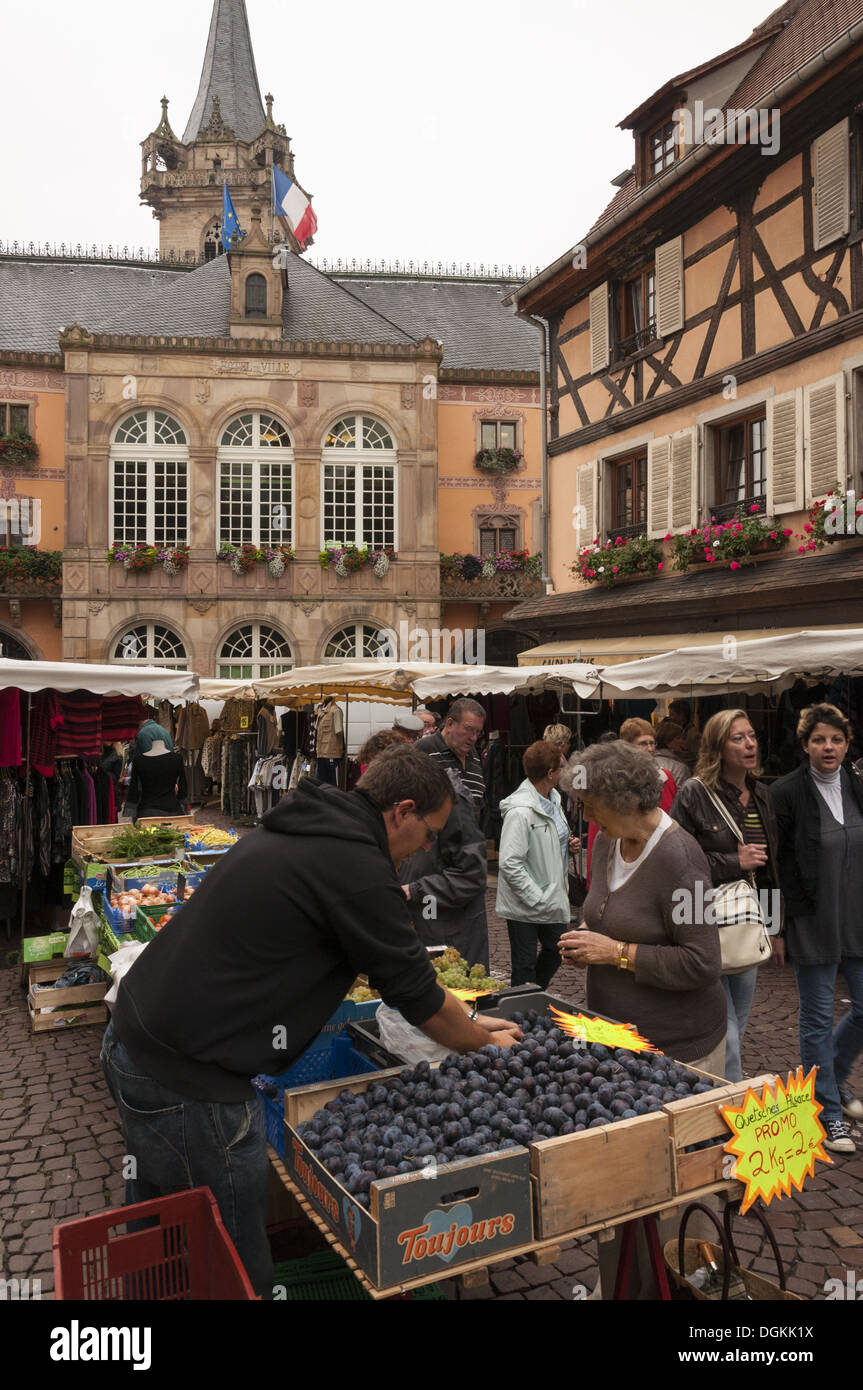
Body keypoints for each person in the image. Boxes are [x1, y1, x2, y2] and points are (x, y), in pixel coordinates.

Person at [102, 745, 522, 1297]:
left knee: (160, 1232)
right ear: (402, 810)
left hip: (136, 1040)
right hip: (188, 1080)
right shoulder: (358, 869)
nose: (427, 847)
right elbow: (417, 996)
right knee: (228, 1259)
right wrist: (484, 1044)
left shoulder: (307, 827)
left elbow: (411, 979)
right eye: (428, 833)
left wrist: (477, 1025)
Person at [558, 739, 724, 1300]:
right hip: (618, 1044)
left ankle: (697, 1286)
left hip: (680, 1050)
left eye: (588, 802)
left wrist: (616, 954)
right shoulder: (606, 841)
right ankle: (623, 1287)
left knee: (682, 1187)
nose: (583, 814)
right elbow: (605, 917)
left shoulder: (682, 857)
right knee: (620, 1182)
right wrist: (586, 945)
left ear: (620, 798)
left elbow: (703, 962)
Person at [670, 709, 782, 1085]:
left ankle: (716, 1091)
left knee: (738, 1023)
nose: (749, 744)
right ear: (717, 746)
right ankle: (731, 1105)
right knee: (727, 1030)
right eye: (738, 738)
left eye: (752, 736)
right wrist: (734, 861)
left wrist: (775, 925)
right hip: (704, 919)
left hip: (748, 923)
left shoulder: (764, 794)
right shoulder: (695, 793)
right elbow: (677, 859)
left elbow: (769, 868)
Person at [771, 703, 863, 1155]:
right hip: (810, 918)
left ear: (848, 744)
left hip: (859, 917)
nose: (829, 747)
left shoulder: (858, 784)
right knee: (816, 1017)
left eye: (837, 739)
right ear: (805, 744)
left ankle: (834, 1075)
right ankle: (826, 1109)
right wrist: (775, 926)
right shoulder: (787, 792)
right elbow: (776, 864)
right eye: (820, 740)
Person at [398, 698, 489, 967]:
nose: (473, 737)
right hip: (432, 861)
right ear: (449, 724)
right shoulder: (422, 752)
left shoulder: (472, 757)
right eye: (468, 729)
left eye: (477, 732)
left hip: (463, 854)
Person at [496, 741, 574, 989]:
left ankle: (534, 993)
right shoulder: (520, 812)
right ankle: (519, 1012)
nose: (563, 771)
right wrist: (536, 897)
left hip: (550, 894)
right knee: (524, 964)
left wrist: (567, 845)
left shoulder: (554, 799)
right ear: (550, 773)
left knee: (557, 949)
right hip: (526, 902)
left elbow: (550, 840)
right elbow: (510, 863)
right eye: (560, 767)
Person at [583, 719, 677, 885]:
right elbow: (596, 835)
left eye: (652, 743)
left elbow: (676, 822)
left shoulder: (666, 778)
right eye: (643, 743)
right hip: (624, 868)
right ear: (627, 747)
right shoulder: (609, 784)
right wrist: (595, 882)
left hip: (662, 864)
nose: (650, 749)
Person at [126, 720, 187, 821]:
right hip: (172, 807)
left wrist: (132, 807)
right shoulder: (165, 733)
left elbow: (134, 786)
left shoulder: (142, 737)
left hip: (147, 807)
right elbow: (183, 786)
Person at [654, 717, 691, 787]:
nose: (683, 741)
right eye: (679, 738)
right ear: (668, 741)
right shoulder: (680, 769)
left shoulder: (645, 763)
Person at [667, 699, 701, 772]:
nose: (669, 717)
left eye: (672, 714)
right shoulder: (676, 731)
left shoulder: (693, 734)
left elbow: (699, 757)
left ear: (681, 715)